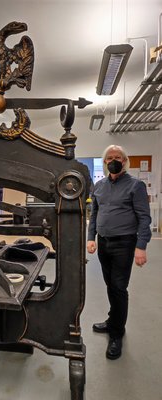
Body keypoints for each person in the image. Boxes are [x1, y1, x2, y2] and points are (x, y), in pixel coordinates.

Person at [87, 145, 151, 360]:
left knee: (118, 287)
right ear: (105, 162)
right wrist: (90, 238)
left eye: (118, 157)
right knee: (110, 285)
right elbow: (94, 215)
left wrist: (141, 246)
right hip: (104, 243)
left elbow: (144, 218)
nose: (113, 161)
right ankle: (112, 320)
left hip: (125, 243)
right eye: (110, 158)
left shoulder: (136, 185)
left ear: (125, 161)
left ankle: (117, 333)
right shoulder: (99, 185)